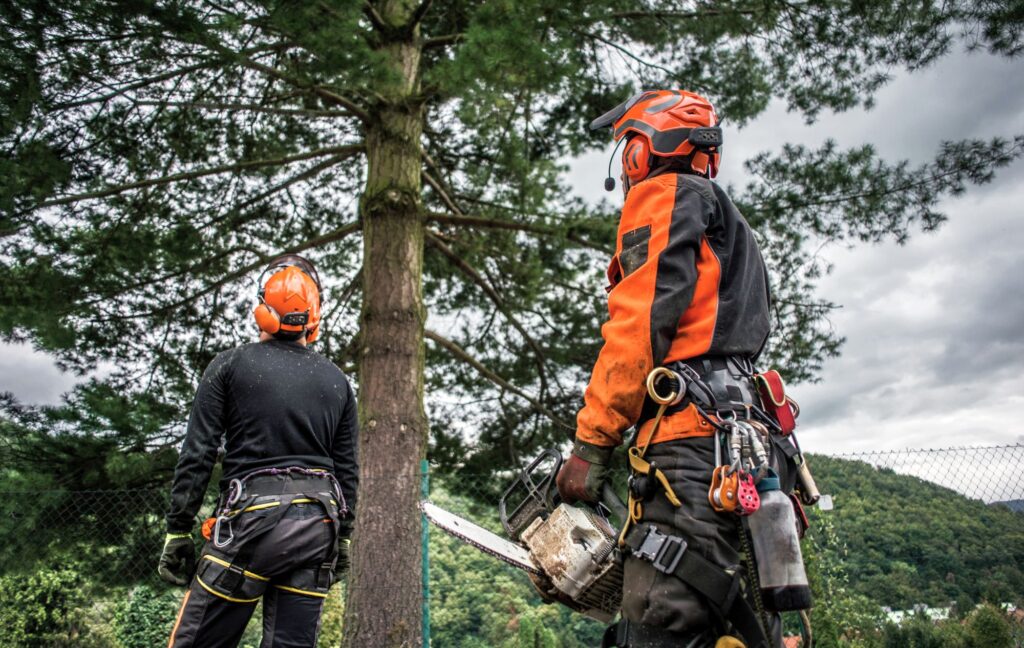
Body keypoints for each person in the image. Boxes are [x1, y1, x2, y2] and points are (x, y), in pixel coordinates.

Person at [557, 90, 787, 648]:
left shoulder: (663, 196)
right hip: (750, 447)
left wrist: (591, 445)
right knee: (740, 625)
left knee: (663, 621)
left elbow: (637, 327)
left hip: (689, 450)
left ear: (643, 149)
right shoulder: (730, 224)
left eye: (628, 150)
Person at [158, 254, 359, 648]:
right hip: (318, 530)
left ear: (262, 312)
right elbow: (347, 470)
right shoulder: (337, 381)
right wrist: (345, 539)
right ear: (313, 319)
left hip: (249, 527)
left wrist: (178, 528)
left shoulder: (229, 366)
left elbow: (198, 452)